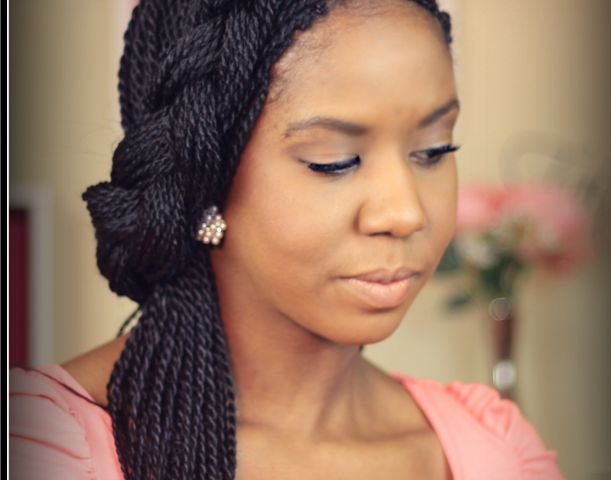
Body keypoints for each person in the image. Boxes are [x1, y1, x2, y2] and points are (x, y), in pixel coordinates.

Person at [9, 0, 565, 478]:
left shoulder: (493, 451)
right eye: (334, 161)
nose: (405, 213)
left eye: (434, 150)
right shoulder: (44, 447)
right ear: (204, 175)